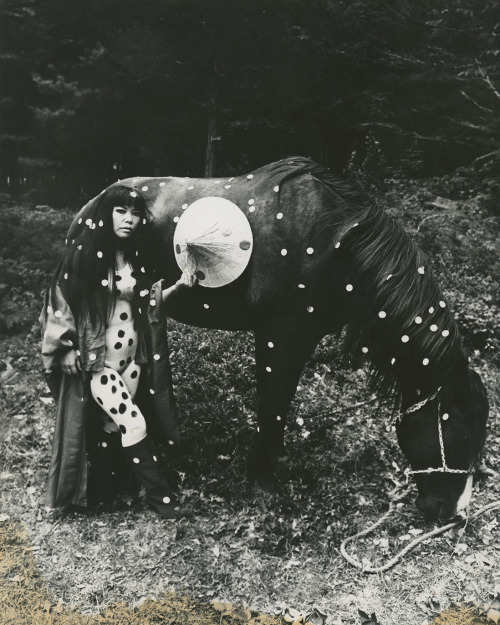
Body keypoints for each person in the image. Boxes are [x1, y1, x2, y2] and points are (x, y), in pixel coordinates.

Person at [40, 185, 196, 518]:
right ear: (106, 214)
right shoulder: (83, 257)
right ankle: (163, 500)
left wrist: (180, 287)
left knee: (115, 426)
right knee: (134, 424)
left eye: (136, 213)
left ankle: (103, 492)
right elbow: (58, 301)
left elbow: (148, 304)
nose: (128, 219)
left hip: (133, 361)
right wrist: (64, 348)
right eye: (120, 211)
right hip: (101, 364)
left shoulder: (137, 258)